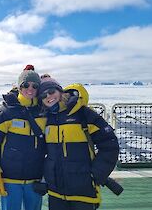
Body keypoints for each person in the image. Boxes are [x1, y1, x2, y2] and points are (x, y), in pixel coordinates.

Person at [38, 77, 119, 210]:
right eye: (43, 95)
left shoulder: (83, 114)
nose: (48, 96)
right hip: (55, 193)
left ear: (60, 91)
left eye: (51, 91)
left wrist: (96, 174)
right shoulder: (47, 119)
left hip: (83, 192)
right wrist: (44, 179)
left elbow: (109, 144)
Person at [0, 65, 46, 210]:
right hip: (9, 178)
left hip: (35, 178)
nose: (30, 89)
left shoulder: (44, 112)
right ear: (19, 87)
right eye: (25, 85)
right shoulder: (6, 112)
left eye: (34, 85)